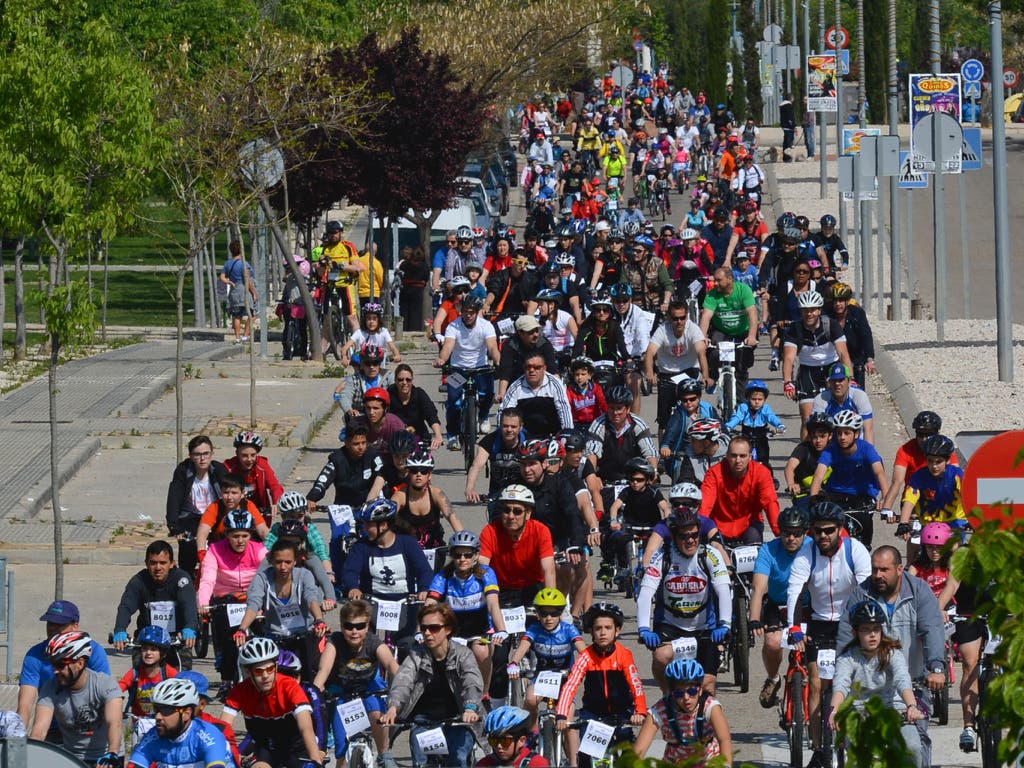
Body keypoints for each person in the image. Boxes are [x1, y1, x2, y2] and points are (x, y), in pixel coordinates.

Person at [836, 546, 946, 768]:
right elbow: (846, 638)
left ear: (899, 568)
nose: (878, 576)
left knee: (916, 745)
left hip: (912, 683)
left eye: (884, 570)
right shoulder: (861, 594)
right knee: (853, 746)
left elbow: (933, 630)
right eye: (875, 570)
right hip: (867, 690)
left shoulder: (919, 592)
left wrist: (936, 668)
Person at [786, 502, 872, 767]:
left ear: (840, 530)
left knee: (860, 680)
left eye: (829, 530)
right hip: (821, 623)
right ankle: (818, 746)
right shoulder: (806, 553)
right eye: (818, 531)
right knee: (816, 682)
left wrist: (869, 624)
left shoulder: (855, 550)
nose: (823, 536)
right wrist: (795, 628)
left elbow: (866, 589)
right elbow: (795, 591)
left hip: (850, 622)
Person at [636, 508, 731, 694]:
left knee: (708, 686)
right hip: (670, 625)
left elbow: (723, 590)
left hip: (704, 627)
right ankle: (668, 699)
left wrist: (725, 624)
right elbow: (646, 593)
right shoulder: (662, 557)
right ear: (673, 536)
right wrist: (643, 629)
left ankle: (703, 719)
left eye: (695, 535)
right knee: (661, 657)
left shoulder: (709, 555)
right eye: (684, 536)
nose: (690, 540)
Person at [379, 604, 482, 768]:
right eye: (424, 628)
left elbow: (472, 681)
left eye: (434, 628)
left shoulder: (463, 655)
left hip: (457, 721)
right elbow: (402, 682)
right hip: (424, 723)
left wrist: (470, 708)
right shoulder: (416, 655)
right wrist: (393, 708)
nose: (427, 633)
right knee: (422, 763)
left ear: (448, 629)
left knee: (459, 760)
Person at [829, 601, 925, 766]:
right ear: (855, 632)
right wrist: (835, 710)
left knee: (913, 747)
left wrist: (911, 706)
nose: (872, 635)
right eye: (866, 630)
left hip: (893, 710)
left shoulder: (892, 654)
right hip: (859, 714)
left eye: (876, 629)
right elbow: (841, 685)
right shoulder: (847, 659)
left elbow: (902, 679)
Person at [555, 602, 646, 767]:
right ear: (591, 631)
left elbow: (636, 685)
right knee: (586, 760)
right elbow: (570, 685)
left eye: (608, 628)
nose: (603, 632)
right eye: (598, 628)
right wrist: (562, 715)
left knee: (630, 760)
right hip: (593, 716)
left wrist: (640, 712)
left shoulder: (624, 655)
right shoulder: (586, 656)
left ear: (617, 630)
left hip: (622, 714)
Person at [314, 599, 400, 768]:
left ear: (367, 627)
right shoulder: (335, 642)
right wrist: (314, 695)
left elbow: (391, 664)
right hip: (340, 692)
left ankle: (384, 754)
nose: (354, 631)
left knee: (377, 712)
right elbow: (323, 670)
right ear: (341, 625)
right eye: (349, 626)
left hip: (368, 688)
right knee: (341, 748)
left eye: (360, 626)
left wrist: (403, 688)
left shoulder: (373, 642)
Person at [427, 531, 507, 698]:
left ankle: (484, 694)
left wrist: (501, 629)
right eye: (457, 554)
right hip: (455, 631)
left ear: (476, 555)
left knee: (481, 652)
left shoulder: (485, 573)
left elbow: (493, 603)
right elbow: (430, 605)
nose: (462, 559)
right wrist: (421, 630)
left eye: (467, 554)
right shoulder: (444, 576)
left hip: (481, 629)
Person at [222, 637, 324, 768]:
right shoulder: (240, 691)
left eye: (270, 669)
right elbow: (223, 726)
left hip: (297, 747)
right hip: (266, 747)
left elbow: (306, 728)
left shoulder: (290, 686)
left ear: (276, 666)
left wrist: (315, 759)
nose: (265, 676)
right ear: (248, 672)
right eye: (258, 671)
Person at [235, 540, 329, 681]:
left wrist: (319, 619)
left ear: (295, 561)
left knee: (311, 676)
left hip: (304, 636)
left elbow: (311, 598)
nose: (283, 567)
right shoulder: (262, 578)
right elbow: (254, 604)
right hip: (274, 637)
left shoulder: (304, 575)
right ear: (271, 561)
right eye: (278, 562)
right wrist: (242, 629)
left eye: (288, 562)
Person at [196, 509, 266, 694]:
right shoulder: (215, 550)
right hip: (225, 600)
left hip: (253, 599)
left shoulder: (259, 550)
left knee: (265, 635)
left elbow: (270, 577)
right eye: (235, 536)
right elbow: (208, 579)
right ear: (227, 534)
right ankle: (227, 679)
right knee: (228, 641)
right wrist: (203, 603)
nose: (240, 540)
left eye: (245, 535)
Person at [30, 631, 123, 767]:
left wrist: (112, 752)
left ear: (80, 663)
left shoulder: (105, 684)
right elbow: (39, 730)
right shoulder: (50, 688)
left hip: (105, 758)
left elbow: (115, 723)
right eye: (53, 664)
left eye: (61, 665)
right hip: (72, 759)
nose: (55, 670)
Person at [749, 507, 811, 708]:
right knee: (773, 643)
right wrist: (754, 619)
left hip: (807, 605)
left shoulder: (813, 548)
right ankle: (773, 678)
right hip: (778, 605)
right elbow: (758, 588)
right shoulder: (768, 550)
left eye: (796, 534)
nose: (791, 538)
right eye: (786, 533)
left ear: (805, 532)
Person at [18, 601, 112, 734]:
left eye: (59, 625)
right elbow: (25, 706)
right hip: (51, 726)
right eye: (50, 623)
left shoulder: (94, 652)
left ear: (75, 626)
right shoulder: (34, 655)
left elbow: (105, 696)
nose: (52, 628)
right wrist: (17, 737)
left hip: (88, 727)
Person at [506, 588, 585, 744]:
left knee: (568, 723)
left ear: (561, 613)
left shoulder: (569, 630)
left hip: (565, 681)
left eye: (554, 613)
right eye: (544, 614)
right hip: (541, 678)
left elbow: (583, 651)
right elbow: (522, 647)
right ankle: (532, 732)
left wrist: (587, 665)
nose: (549, 618)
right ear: (537, 614)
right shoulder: (534, 629)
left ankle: (574, 762)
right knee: (529, 699)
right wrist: (514, 663)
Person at [808, 410, 889, 549]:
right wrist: (813, 500)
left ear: (856, 434)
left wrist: (886, 503)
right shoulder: (830, 450)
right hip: (836, 494)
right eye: (839, 433)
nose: (842, 437)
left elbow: (880, 473)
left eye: (847, 433)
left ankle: (864, 551)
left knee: (865, 525)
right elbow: (818, 476)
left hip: (862, 495)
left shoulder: (867, 449)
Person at [633, 659, 733, 768]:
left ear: (700, 690)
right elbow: (638, 752)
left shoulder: (710, 707)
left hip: (708, 761)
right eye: (679, 693)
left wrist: (726, 765)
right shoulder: (660, 710)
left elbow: (724, 740)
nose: (686, 698)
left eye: (692, 692)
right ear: (671, 693)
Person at [112, 540, 198, 663]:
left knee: (182, 678)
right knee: (139, 678)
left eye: (163, 563)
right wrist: (120, 629)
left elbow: (188, 605)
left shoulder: (181, 580)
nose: (158, 568)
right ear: (146, 564)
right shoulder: (138, 581)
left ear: (172, 564)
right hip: (147, 640)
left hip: (176, 639)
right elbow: (125, 606)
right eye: (153, 563)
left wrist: (190, 627)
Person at [435, 294, 500, 450]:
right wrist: (442, 360)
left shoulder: (486, 326)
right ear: (461, 311)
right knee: (453, 401)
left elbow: (492, 347)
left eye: (472, 312)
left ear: (477, 312)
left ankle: (483, 417)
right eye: (465, 311)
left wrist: (498, 360)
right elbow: (448, 347)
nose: (468, 315)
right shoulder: (453, 326)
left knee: (487, 394)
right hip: (457, 368)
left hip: (481, 368)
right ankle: (452, 435)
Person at [781, 291, 854, 429]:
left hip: (832, 370)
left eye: (813, 310)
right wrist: (788, 382)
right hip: (808, 373)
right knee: (808, 421)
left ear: (819, 310)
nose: (809, 314)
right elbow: (789, 358)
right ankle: (807, 450)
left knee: (838, 418)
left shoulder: (831, 325)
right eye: (805, 310)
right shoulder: (794, 329)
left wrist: (850, 377)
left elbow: (843, 353)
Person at [127, 678, 234, 768]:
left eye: (166, 710)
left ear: (187, 713)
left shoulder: (209, 736)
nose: (158, 716)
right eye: (156, 710)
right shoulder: (152, 736)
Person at [478, 485, 558, 602]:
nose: (511, 516)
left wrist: (550, 603)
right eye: (506, 510)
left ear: (528, 513)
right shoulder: (490, 531)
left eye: (517, 511)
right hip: (499, 589)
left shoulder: (540, 531)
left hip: (532, 588)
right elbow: (482, 567)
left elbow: (548, 570)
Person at [585, 385, 658, 510]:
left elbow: (650, 452)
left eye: (619, 408)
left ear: (628, 409)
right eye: (611, 408)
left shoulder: (638, 424)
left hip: (634, 480)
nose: (615, 413)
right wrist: (593, 476)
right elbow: (591, 453)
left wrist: (654, 472)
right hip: (606, 481)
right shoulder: (598, 424)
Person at [879, 410, 958, 523]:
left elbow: (955, 479)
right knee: (912, 537)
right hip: (914, 501)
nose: (924, 439)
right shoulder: (905, 450)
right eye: (920, 434)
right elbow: (897, 481)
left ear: (937, 433)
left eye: (929, 434)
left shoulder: (945, 449)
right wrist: (887, 508)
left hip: (942, 500)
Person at [645, 299, 711, 433]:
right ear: (670, 318)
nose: (679, 322)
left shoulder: (693, 329)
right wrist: (650, 373)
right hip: (667, 373)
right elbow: (650, 352)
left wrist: (705, 375)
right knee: (663, 420)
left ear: (687, 316)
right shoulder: (662, 330)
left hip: (689, 371)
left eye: (682, 318)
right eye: (675, 319)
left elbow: (701, 352)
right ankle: (662, 450)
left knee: (693, 411)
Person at [166, 435, 229, 576]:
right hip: (190, 518)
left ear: (212, 454)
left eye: (206, 453)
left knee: (221, 551)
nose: (202, 458)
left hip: (214, 517)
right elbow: (174, 498)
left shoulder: (219, 470)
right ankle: (186, 581)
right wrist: (174, 526)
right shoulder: (183, 471)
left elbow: (230, 492)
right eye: (197, 454)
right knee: (188, 551)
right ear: (190, 456)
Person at [897, 434, 968, 557]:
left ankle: (956, 575)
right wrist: (903, 523)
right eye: (930, 461)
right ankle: (910, 572)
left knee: (955, 550)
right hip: (928, 523)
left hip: (954, 522)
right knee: (914, 547)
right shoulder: (919, 476)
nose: (934, 466)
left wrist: (973, 520)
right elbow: (909, 500)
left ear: (948, 460)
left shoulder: (957, 475)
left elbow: (970, 497)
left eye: (938, 462)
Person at [700, 435, 780, 544]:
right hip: (719, 525)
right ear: (727, 455)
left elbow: (770, 502)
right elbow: (705, 503)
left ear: (750, 456)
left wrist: (780, 534)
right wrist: (698, 529)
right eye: (733, 456)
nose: (738, 460)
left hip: (749, 524)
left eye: (742, 456)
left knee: (754, 544)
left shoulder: (762, 473)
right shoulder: (714, 473)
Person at [700, 267, 758, 392]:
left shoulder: (743, 290)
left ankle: (741, 402)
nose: (715, 283)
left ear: (730, 279)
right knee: (713, 351)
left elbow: (753, 314)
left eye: (718, 280)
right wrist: (703, 337)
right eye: (714, 280)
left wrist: (752, 336)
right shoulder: (712, 295)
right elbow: (706, 316)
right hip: (721, 330)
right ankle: (714, 376)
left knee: (742, 364)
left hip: (744, 331)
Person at [392, 450, 463, 550]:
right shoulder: (400, 496)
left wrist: (463, 544)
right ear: (409, 473)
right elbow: (386, 522)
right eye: (414, 470)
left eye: (423, 471)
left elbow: (453, 518)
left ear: (429, 475)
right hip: (407, 550)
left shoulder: (436, 494)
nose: (419, 474)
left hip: (434, 549)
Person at [307, 421, 386, 510]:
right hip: (342, 510)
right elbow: (323, 480)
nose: (361, 447)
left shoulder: (373, 456)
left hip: (368, 508)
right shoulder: (337, 459)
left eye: (363, 443)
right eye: (356, 444)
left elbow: (384, 478)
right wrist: (312, 498)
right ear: (347, 443)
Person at [498, 350, 574, 438]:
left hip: (552, 433)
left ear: (544, 368)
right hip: (524, 435)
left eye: (537, 367)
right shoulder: (515, 387)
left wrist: (567, 435)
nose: (532, 370)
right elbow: (504, 412)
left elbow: (564, 411)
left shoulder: (555, 384)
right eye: (528, 367)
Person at [174, 670, 242, 767]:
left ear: (202, 704)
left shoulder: (220, 729)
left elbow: (232, 763)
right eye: (177, 696)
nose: (180, 703)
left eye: (188, 698)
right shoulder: (163, 724)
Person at [195, 473, 269, 560]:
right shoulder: (214, 507)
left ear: (242, 494)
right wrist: (202, 554)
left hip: (245, 553)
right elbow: (202, 534)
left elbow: (263, 531)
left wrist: (276, 549)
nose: (229, 497)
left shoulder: (248, 506)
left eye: (234, 493)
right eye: (226, 492)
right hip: (220, 553)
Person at [465, 408, 524, 505]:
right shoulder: (490, 441)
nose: (509, 430)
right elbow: (476, 466)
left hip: (522, 494)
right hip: (497, 495)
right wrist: (470, 488)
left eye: (513, 427)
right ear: (500, 425)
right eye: (505, 426)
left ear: (520, 427)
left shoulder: (527, 442)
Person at [118, 625, 179, 719]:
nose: (148, 652)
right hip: (139, 722)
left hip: (162, 721)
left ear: (163, 654)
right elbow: (118, 689)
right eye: (145, 649)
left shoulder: (169, 673)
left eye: (153, 649)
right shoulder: (135, 673)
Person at [724, 379, 786, 470]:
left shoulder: (766, 408)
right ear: (748, 398)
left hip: (761, 436)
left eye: (760, 399)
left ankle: (768, 477)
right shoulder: (743, 407)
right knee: (742, 458)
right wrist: (729, 426)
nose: (757, 402)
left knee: (764, 460)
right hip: (746, 435)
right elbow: (737, 417)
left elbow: (772, 417)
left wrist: (779, 425)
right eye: (753, 399)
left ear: (764, 399)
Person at [224, 431, 284, 521]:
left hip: (260, 513)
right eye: (244, 455)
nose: (249, 459)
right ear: (237, 454)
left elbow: (275, 486)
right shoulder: (229, 467)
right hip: (235, 514)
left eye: (253, 455)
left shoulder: (262, 466)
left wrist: (277, 501)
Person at [811, 362, 875, 444]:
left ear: (849, 382)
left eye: (841, 380)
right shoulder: (821, 399)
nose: (837, 384)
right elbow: (817, 432)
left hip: (856, 444)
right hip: (832, 444)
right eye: (834, 380)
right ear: (829, 383)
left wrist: (868, 454)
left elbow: (868, 429)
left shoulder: (859, 396)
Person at [319, 219, 365, 335]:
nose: (333, 235)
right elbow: (321, 272)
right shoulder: (325, 248)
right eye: (330, 233)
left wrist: (341, 266)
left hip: (345, 285)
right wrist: (321, 265)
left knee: (351, 318)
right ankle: (322, 351)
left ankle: (360, 347)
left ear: (341, 233)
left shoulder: (348, 246)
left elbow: (357, 267)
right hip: (330, 285)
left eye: (335, 232)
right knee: (326, 322)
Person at [784, 412, 834, 510]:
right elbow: (790, 467)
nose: (818, 441)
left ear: (830, 435)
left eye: (822, 436)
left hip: (829, 495)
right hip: (804, 495)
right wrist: (791, 484)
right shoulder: (803, 448)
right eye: (815, 437)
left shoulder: (834, 450)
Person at [827, 283, 875, 386]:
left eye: (841, 300)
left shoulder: (857, 313)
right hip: (833, 358)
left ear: (847, 301)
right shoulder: (827, 314)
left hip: (855, 358)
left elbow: (866, 335)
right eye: (835, 301)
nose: (838, 304)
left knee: (858, 394)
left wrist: (869, 359)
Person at [387, 364, 444, 450]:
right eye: (400, 380)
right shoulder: (389, 395)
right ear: (395, 380)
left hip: (419, 439)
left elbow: (431, 416)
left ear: (412, 380)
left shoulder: (419, 394)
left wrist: (438, 435)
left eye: (408, 380)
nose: (404, 383)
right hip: (396, 442)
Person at [335, 344, 395, 422]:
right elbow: (345, 396)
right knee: (345, 433)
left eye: (375, 363)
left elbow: (396, 395)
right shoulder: (353, 379)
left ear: (380, 363)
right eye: (368, 363)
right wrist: (349, 410)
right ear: (362, 364)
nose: (372, 367)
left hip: (384, 417)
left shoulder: (389, 376)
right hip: (360, 417)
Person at [479, 706, 550, 768]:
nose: (499, 746)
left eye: (505, 741)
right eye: (493, 740)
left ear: (522, 740)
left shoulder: (537, 764)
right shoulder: (484, 764)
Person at [220, 240, 258, 344]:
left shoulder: (228, 263)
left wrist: (229, 282)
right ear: (241, 250)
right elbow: (248, 280)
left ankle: (237, 337)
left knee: (237, 316)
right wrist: (254, 293)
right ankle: (245, 336)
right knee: (253, 314)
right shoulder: (244, 264)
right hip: (244, 291)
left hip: (234, 291)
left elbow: (222, 277)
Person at [342, 302, 401, 368]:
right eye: (368, 318)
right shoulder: (360, 332)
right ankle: (358, 376)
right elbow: (345, 347)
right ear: (365, 320)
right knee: (355, 358)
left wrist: (397, 355)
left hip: (379, 366)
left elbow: (393, 346)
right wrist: (344, 357)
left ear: (379, 320)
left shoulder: (383, 332)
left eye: (374, 319)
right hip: (363, 366)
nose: (371, 322)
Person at [398, 245, 429, 331]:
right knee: (416, 313)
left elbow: (401, 274)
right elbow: (426, 277)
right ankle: (415, 330)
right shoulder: (424, 266)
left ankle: (404, 330)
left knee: (404, 312)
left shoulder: (405, 264)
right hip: (418, 291)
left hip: (405, 290)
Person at [779, 93, 797, 162]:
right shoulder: (788, 106)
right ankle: (788, 157)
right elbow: (790, 117)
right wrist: (793, 125)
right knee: (789, 142)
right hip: (789, 126)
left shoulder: (783, 105)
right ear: (791, 98)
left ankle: (785, 157)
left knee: (786, 141)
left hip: (784, 126)